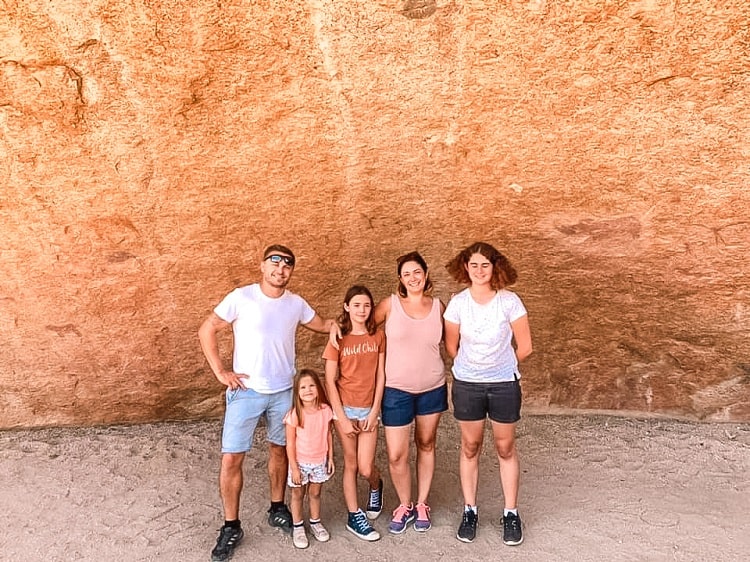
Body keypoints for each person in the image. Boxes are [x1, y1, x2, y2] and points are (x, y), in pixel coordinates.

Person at [198, 244, 337, 562]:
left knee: (280, 450)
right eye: (274, 263)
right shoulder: (241, 297)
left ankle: (277, 507)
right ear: (262, 266)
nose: (280, 269)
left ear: (291, 271)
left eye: (287, 265)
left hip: (282, 392)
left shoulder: (296, 304)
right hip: (246, 390)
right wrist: (220, 371)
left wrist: (345, 322)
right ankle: (231, 525)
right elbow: (207, 328)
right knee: (232, 458)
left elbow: (323, 324)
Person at [443, 241, 533, 546]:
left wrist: (498, 365)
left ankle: (511, 512)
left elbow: (526, 346)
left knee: (505, 447)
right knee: (470, 445)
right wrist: (475, 366)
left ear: (495, 267)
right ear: (465, 268)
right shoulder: (457, 303)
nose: (479, 271)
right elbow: (452, 346)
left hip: (503, 384)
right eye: (474, 265)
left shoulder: (510, 302)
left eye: (485, 265)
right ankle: (470, 510)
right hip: (468, 383)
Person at [374, 251, 447, 534]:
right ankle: (404, 504)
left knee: (427, 444)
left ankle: (422, 503)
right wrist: (336, 330)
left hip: (432, 387)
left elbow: (456, 341)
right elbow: (364, 326)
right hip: (396, 390)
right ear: (400, 280)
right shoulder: (390, 305)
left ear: (426, 275)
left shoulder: (440, 307)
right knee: (396, 454)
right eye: (407, 274)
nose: (413, 278)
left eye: (417, 272)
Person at [323, 285, 386, 542]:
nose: (362, 310)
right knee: (350, 463)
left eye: (367, 305)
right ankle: (354, 515)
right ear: (347, 307)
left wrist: (375, 411)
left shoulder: (378, 336)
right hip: (345, 409)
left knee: (365, 466)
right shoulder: (338, 339)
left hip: (369, 408)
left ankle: (376, 485)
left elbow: (381, 375)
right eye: (357, 305)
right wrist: (341, 417)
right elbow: (330, 380)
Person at [284, 369, 335, 549]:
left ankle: (315, 522)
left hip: (319, 460)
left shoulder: (325, 410)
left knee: (315, 493)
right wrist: (294, 467)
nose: (308, 390)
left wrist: (330, 457)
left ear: (318, 388)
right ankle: (298, 526)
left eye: (312, 385)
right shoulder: (294, 414)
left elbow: (328, 433)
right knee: (298, 494)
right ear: (297, 391)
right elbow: (290, 444)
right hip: (300, 462)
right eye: (303, 387)